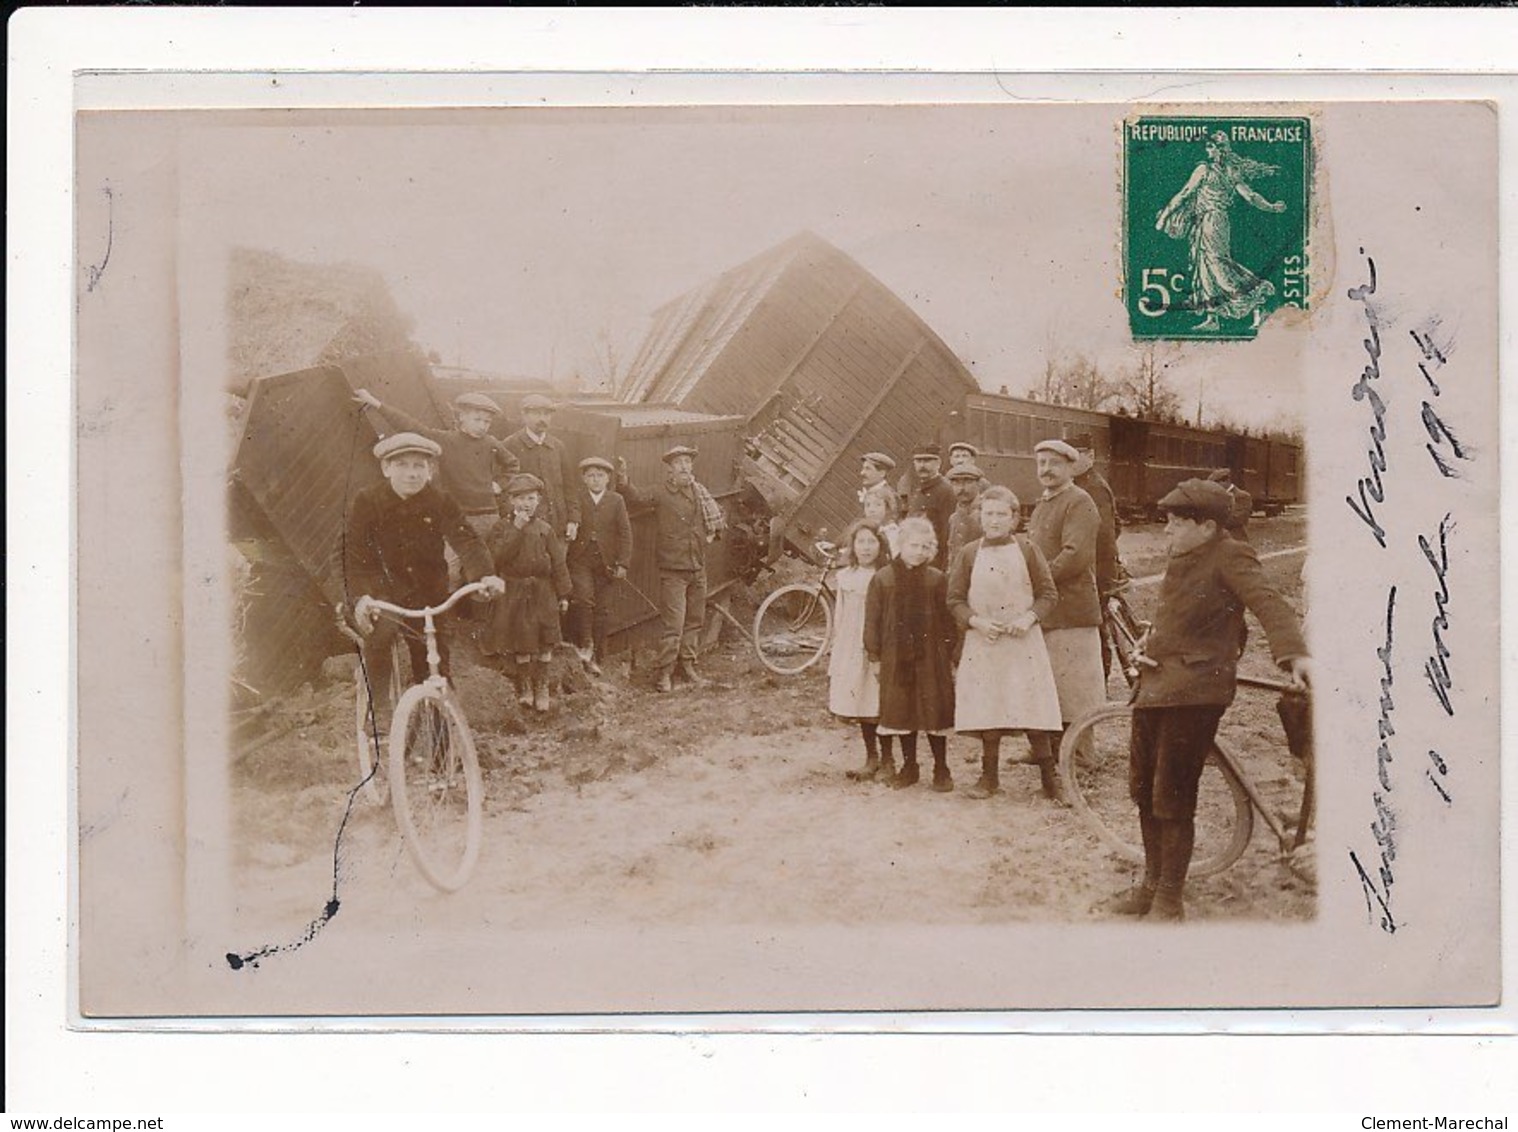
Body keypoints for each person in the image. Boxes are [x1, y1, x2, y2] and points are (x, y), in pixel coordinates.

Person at [1107, 479, 1309, 921]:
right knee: (1143, 792)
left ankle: (1169, 900)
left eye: (1176, 523)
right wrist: (1149, 644)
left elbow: (1269, 602)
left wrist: (1293, 654)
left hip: (1195, 692)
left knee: (1172, 797)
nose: (1166, 532)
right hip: (1155, 687)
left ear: (1207, 526)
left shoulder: (1230, 554)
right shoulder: (1183, 554)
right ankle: (1150, 885)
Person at [343, 433, 505, 738]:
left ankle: (445, 743)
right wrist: (361, 597)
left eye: (419, 466)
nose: (412, 473)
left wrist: (484, 575)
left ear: (429, 471)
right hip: (382, 589)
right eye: (402, 465)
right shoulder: (368, 500)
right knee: (382, 633)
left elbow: (466, 540)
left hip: (427, 592)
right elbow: (353, 555)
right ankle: (379, 710)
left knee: (434, 662)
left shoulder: (439, 500)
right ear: (386, 469)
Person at [948, 487, 1065, 801]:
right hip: (984, 641)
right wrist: (976, 621)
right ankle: (989, 778)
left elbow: (1048, 594)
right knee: (989, 706)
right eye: (989, 514)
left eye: (1002, 514)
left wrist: (1028, 619)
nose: (995, 520)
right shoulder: (969, 553)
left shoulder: (1028, 550)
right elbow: (955, 599)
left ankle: (1049, 778)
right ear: (980, 517)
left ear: (1014, 518)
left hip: (1022, 641)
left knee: (1032, 706)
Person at [1026, 438, 1105, 786]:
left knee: (1078, 685)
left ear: (1070, 466)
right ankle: (1053, 747)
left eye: (1053, 463)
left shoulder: (1079, 501)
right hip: (1048, 608)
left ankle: (1084, 754)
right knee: (1051, 683)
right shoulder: (1044, 504)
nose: (1045, 470)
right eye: (1041, 463)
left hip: (1072, 608)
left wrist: (1036, 580)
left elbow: (1076, 555)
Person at [618, 445, 727, 693]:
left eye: (688, 462)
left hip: (697, 567)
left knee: (694, 621)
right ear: (669, 469)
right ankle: (664, 673)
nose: (685, 467)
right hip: (673, 570)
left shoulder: (699, 492)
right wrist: (623, 480)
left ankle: (687, 666)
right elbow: (636, 497)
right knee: (674, 625)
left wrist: (707, 538)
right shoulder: (661, 492)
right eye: (679, 463)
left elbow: (715, 521)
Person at [1155, 131, 1287, 331]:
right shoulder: (1229, 171)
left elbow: (1184, 194)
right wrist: (1271, 206)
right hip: (1209, 222)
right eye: (1208, 146)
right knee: (1205, 268)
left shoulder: (1205, 170)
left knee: (1217, 265)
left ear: (1221, 149)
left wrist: (1165, 216)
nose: (1208, 150)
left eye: (1211, 146)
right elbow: (1250, 196)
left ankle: (1256, 297)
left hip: (1212, 221)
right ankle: (1212, 318)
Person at [864, 516, 958, 792]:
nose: (918, 551)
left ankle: (941, 767)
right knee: (903, 711)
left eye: (924, 546)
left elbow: (948, 620)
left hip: (931, 657)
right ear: (900, 545)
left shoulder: (936, 579)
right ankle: (910, 765)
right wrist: (875, 656)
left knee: (932, 709)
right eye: (913, 545)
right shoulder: (883, 579)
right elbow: (873, 621)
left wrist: (948, 653)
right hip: (896, 657)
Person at [351, 388, 520, 540]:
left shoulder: (491, 443)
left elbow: (512, 464)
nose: (483, 426)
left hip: (489, 515)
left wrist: (499, 484)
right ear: (462, 417)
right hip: (457, 515)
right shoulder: (445, 440)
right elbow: (411, 425)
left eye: (487, 422)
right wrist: (376, 404)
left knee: (487, 566)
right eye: (477, 420)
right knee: (452, 569)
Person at [483, 473, 573, 713]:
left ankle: (541, 684)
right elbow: (496, 559)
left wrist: (563, 594)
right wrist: (517, 529)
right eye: (521, 498)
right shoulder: (502, 527)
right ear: (511, 501)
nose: (526, 504)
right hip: (515, 590)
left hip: (543, 591)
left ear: (539, 501)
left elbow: (558, 563)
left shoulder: (545, 529)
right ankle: (525, 686)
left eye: (531, 498)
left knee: (545, 639)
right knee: (522, 640)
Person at [829, 520, 894, 782]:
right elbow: (841, 617)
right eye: (861, 542)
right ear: (853, 546)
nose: (866, 548)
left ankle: (889, 758)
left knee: (880, 701)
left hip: (879, 643)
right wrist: (837, 649)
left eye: (872, 542)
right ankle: (872, 757)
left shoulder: (887, 577)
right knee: (861, 699)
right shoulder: (846, 577)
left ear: (881, 545)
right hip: (852, 644)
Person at [566, 456, 633, 676]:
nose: (596, 480)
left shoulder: (616, 500)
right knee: (584, 599)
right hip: (580, 559)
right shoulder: (577, 497)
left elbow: (625, 533)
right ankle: (586, 645)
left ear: (608, 479)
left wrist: (623, 563)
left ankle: (598, 654)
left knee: (602, 608)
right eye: (591, 476)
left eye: (600, 476)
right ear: (584, 479)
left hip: (606, 563)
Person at [1070, 432, 1126, 680]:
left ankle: (1098, 680)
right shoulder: (1083, 483)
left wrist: (1100, 573)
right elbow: (1118, 524)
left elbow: (1105, 535)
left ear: (1090, 456)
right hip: (1093, 568)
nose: (1069, 463)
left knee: (1097, 629)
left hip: (1098, 570)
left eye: (1075, 456)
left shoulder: (1093, 487)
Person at [503, 393, 581, 541]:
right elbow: (503, 489)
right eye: (537, 413)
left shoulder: (558, 446)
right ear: (524, 415)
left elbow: (569, 487)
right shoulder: (510, 445)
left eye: (547, 414)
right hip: (524, 527)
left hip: (557, 525)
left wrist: (573, 520)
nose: (543, 419)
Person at [896, 443, 957, 570]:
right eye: (918, 461)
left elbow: (947, 534)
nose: (922, 465)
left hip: (932, 561)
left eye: (927, 461)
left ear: (938, 463)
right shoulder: (917, 488)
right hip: (914, 558)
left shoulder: (946, 491)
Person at [945, 462, 987, 565]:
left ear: (979, 484)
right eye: (956, 483)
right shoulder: (954, 518)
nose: (961, 488)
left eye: (967, 482)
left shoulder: (987, 513)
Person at [1207, 467, 1254, 540]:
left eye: (1216, 483)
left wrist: (1212, 521)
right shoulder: (1214, 496)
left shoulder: (1243, 496)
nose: (1214, 487)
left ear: (1227, 481)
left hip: (1236, 539)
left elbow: (1237, 519)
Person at [857, 451, 900, 521]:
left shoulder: (889, 495)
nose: (862, 473)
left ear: (882, 473)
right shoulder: (872, 492)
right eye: (863, 468)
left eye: (868, 469)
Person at [861, 488, 900, 556]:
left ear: (888, 508)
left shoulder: (894, 533)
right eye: (867, 505)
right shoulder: (863, 532)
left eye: (877, 505)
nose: (871, 510)